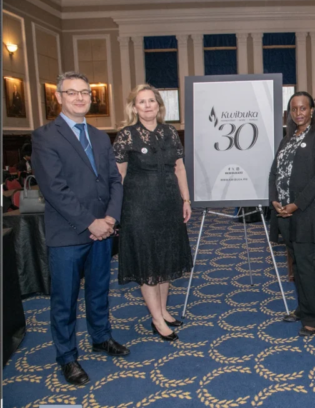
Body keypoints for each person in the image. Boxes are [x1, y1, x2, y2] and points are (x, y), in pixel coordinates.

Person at [31, 71, 129, 386]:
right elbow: (55, 189)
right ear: (58, 97)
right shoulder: (45, 136)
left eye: (84, 92)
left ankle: (101, 337)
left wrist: (111, 219)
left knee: (100, 290)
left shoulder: (101, 137)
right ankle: (67, 357)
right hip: (69, 234)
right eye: (71, 92)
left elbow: (115, 181)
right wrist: (92, 222)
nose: (79, 97)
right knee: (65, 300)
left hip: (103, 231)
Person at [113, 84, 193, 342]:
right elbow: (119, 175)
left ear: (159, 105)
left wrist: (186, 199)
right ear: (134, 107)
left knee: (165, 259)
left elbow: (179, 168)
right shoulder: (126, 135)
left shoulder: (170, 132)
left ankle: (164, 310)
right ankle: (157, 319)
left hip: (169, 204)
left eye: (151, 101)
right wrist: (115, 211)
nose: (147, 105)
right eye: (141, 102)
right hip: (139, 207)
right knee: (148, 261)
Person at [269, 92, 315, 337]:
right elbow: (274, 172)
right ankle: (304, 307)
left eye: (303, 108)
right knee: (296, 262)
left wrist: (296, 204)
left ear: (311, 111)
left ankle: (314, 318)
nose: (298, 113)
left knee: (306, 263)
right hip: (285, 211)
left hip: (308, 211)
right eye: (294, 109)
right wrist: (274, 199)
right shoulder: (287, 139)